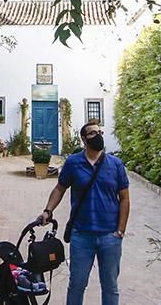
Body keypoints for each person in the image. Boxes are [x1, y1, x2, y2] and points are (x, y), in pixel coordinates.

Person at [37, 121, 129, 305]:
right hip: (81, 235)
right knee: (77, 284)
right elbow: (59, 189)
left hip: (109, 236)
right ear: (84, 139)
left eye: (99, 132)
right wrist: (48, 210)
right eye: (93, 133)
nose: (98, 135)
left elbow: (125, 198)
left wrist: (120, 231)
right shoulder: (73, 162)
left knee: (110, 286)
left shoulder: (115, 164)